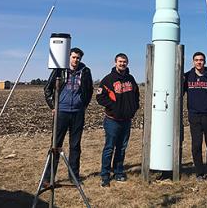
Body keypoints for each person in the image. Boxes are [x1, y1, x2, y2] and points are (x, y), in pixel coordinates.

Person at [43, 47, 93, 184]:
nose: (76, 60)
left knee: (75, 146)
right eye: (74, 57)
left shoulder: (86, 71)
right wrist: (53, 107)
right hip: (62, 112)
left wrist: (83, 105)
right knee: (55, 145)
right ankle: (48, 178)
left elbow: (89, 90)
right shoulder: (60, 70)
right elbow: (47, 89)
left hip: (77, 113)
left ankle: (74, 176)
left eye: (78, 58)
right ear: (69, 57)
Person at [96, 53, 140, 187]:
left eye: (124, 62)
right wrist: (113, 106)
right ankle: (105, 174)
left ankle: (118, 172)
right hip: (112, 120)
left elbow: (136, 94)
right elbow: (100, 97)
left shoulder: (130, 79)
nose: (122, 64)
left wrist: (134, 107)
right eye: (120, 61)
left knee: (122, 148)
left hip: (126, 120)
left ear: (127, 63)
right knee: (109, 147)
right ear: (115, 62)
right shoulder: (108, 79)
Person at [184, 51, 207, 182]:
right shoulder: (188, 77)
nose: (199, 62)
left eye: (201, 60)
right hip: (195, 116)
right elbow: (179, 91)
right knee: (196, 146)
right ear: (193, 62)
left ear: (204, 62)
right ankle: (199, 173)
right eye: (196, 60)